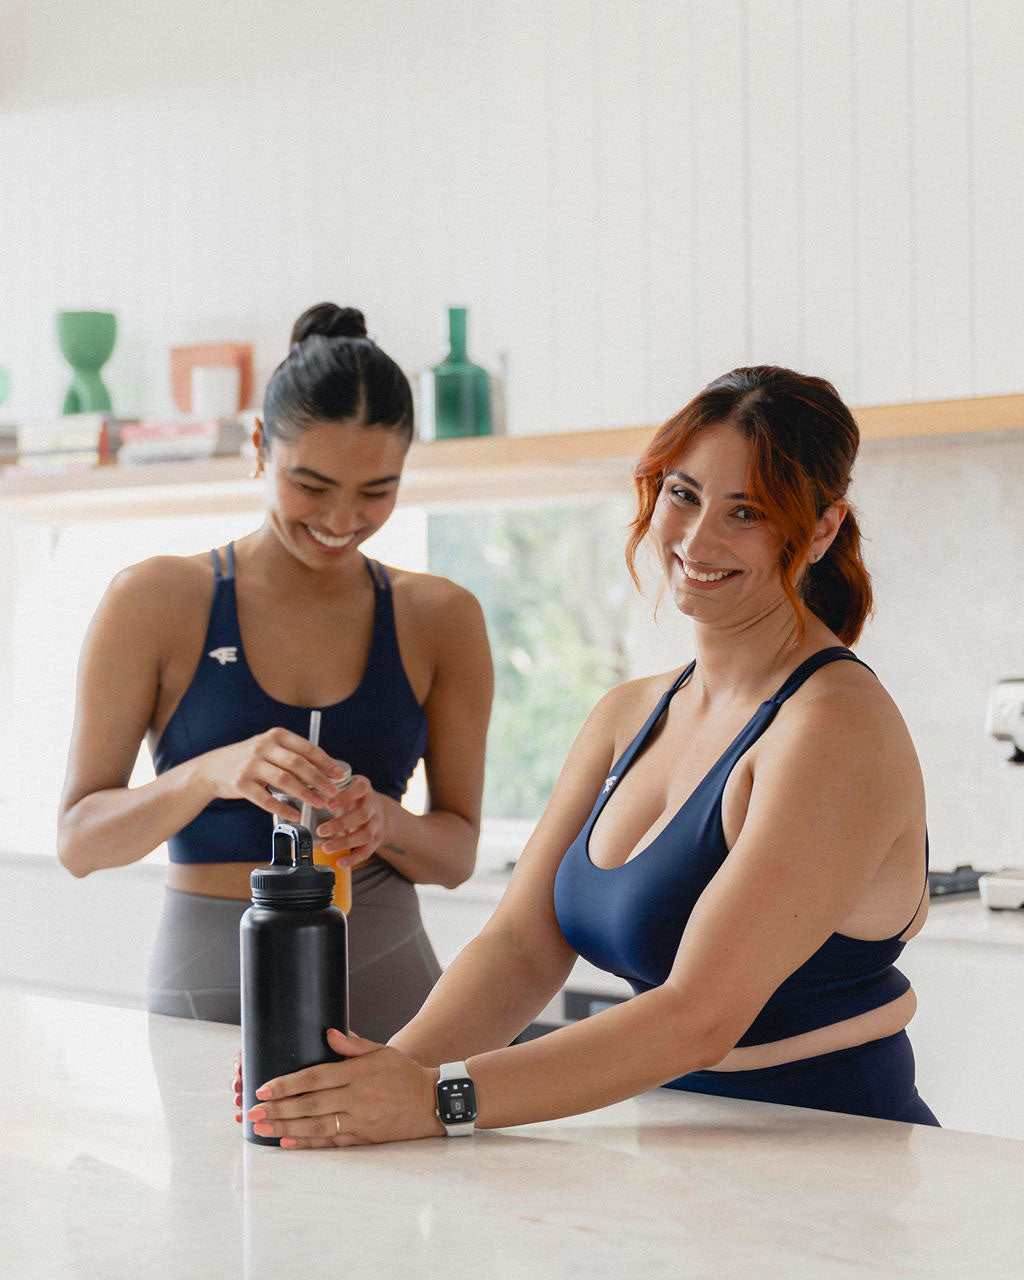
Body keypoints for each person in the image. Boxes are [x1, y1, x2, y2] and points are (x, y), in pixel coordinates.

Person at [237, 364, 940, 1148]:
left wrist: (437, 1100)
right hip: (685, 1157)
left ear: (819, 529)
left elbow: (698, 1018)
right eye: (684, 494)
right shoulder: (629, 714)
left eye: (747, 512)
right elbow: (522, 945)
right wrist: (382, 1077)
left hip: (843, 1174)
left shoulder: (833, 728)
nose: (698, 539)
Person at [58, 303, 494, 1040]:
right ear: (260, 447)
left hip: (390, 982)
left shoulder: (442, 616)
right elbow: (79, 842)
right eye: (312, 485)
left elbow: (455, 857)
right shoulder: (155, 600)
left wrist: (380, 820)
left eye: (376, 491)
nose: (342, 519)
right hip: (208, 985)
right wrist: (210, 773)